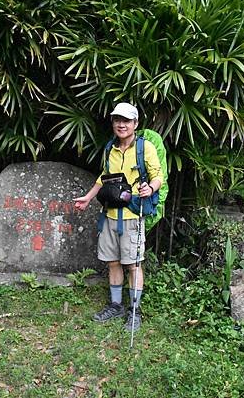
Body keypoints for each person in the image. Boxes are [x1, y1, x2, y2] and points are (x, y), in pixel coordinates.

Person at [74, 102, 163, 331]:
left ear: (135, 124)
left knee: (133, 264)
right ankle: (116, 306)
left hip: (133, 214)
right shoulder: (110, 148)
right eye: (117, 120)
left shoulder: (145, 148)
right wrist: (88, 197)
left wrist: (150, 189)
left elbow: (157, 176)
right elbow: (104, 177)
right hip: (110, 214)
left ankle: (135, 310)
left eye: (126, 121)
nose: (121, 125)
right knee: (113, 262)